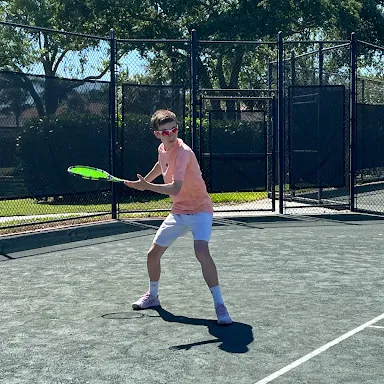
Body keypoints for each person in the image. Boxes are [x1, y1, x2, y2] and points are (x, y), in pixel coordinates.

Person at [124, 109, 232, 325]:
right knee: (152, 254)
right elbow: (160, 165)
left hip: (200, 210)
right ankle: (153, 296)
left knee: (201, 251)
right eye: (165, 131)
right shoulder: (162, 148)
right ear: (157, 134)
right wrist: (144, 182)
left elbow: (175, 188)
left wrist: (147, 187)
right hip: (179, 212)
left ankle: (220, 305)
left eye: (173, 129)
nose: (170, 134)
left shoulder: (184, 152)